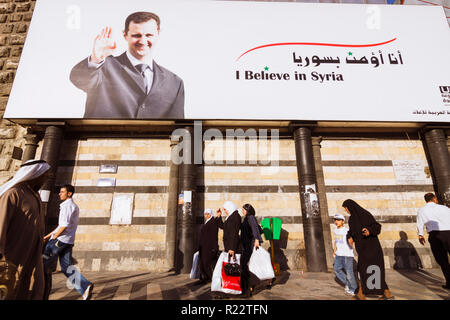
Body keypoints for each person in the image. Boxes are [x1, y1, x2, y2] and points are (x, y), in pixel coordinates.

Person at [70, 11, 184, 119]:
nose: (143, 41)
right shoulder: (103, 66)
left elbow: (177, 130)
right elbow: (78, 79)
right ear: (125, 35)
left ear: (158, 34)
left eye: (149, 35)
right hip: (103, 139)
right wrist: (96, 58)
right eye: (136, 35)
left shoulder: (174, 83)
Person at [0, 159, 50, 300]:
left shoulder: (35, 196)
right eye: (44, 174)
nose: (46, 178)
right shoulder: (12, 194)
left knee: (33, 289)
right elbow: (1, 223)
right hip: (13, 256)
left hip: (33, 255)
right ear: (34, 174)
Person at [42, 184, 94, 300]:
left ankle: (42, 293)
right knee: (66, 267)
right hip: (67, 241)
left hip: (59, 241)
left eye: (62, 192)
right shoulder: (73, 205)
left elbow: (63, 226)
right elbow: (61, 226)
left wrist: (54, 237)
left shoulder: (67, 206)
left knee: (43, 264)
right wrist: (47, 236)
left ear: (69, 194)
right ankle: (85, 286)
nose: (59, 194)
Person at [342, 199, 394, 300]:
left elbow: (377, 227)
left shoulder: (365, 215)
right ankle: (386, 294)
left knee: (372, 270)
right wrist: (349, 237)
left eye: (346, 208)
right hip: (362, 250)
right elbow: (351, 231)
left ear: (351, 206)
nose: (346, 210)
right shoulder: (352, 219)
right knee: (365, 270)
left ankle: (362, 294)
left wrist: (369, 231)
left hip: (372, 248)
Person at [417, 193, 450, 289]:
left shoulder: (422, 210)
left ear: (426, 200)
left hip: (435, 235)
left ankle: (449, 282)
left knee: (442, 260)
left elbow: (420, 223)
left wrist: (420, 235)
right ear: (434, 198)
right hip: (448, 233)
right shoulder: (444, 208)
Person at [239, 203, 263, 297]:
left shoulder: (251, 217)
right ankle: (249, 287)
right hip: (245, 246)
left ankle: (247, 289)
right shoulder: (246, 218)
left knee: (245, 265)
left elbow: (255, 229)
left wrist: (257, 239)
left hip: (249, 246)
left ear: (248, 210)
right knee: (246, 266)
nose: (242, 211)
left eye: (244, 210)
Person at [332, 213, 357, 297]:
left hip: (347, 255)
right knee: (336, 269)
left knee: (349, 272)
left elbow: (351, 241)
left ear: (343, 221)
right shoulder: (335, 231)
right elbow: (336, 241)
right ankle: (347, 284)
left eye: (338, 220)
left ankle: (353, 289)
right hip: (339, 254)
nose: (336, 221)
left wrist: (351, 240)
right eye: (335, 220)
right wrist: (334, 251)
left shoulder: (346, 231)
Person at [197, 208, 223, 284]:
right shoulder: (207, 222)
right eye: (205, 214)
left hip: (209, 247)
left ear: (211, 214)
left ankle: (210, 279)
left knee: (206, 264)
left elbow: (214, 236)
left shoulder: (212, 222)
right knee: (202, 263)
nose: (206, 215)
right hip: (203, 246)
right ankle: (204, 278)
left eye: (208, 214)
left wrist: (214, 248)